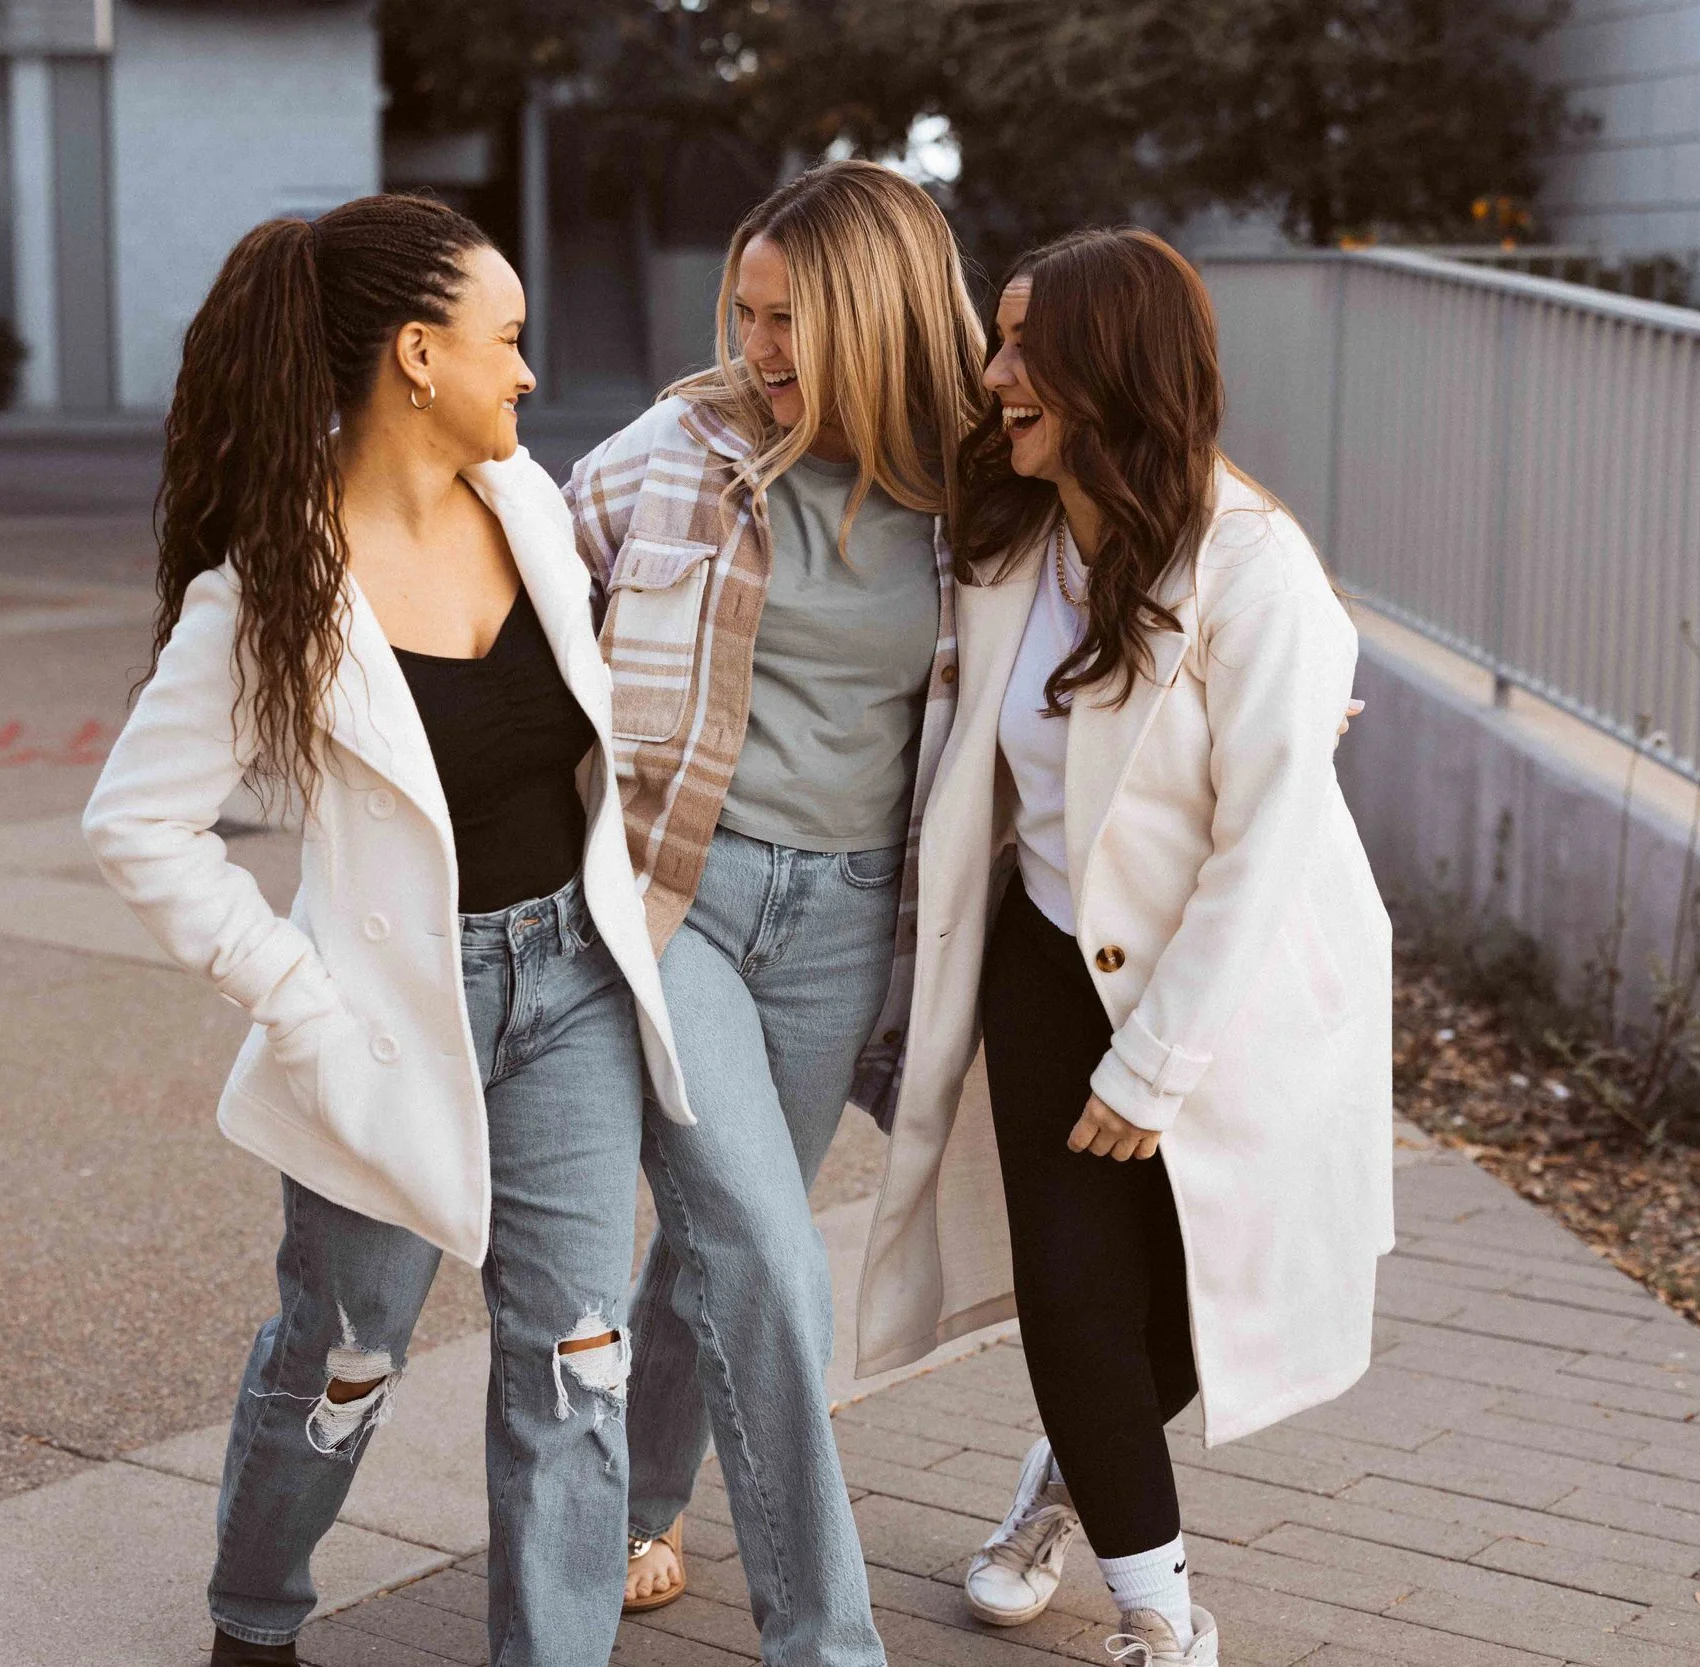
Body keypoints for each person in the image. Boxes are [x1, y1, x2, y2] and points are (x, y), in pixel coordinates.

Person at [82, 193, 694, 1667]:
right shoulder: (273, 582)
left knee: (578, 1364)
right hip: (384, 1021)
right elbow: (135, 822)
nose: (528, 370)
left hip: (568, 987)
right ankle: (255, 1618)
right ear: (419, 356)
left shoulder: (530, 508)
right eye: (507, 338)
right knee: (344, 1361)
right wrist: (299, 1004)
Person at [852, 228, 1394, 1667]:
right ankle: (1159, 1612)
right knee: (1075, 1294)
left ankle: (1069, 1477)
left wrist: (1154, 1065)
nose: (994, 374)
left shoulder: (1254, 572)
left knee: (1201, 1316)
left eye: (1025, 346)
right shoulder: (1007, 533)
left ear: (1115, 369)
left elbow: (1258, 853)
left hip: (1240, 990)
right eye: (996, 340)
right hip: (1047, 964)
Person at [564, 159, 987, 1665]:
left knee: (719, 1249)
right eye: (744, 312)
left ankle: (627, 1507)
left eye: (791, 318)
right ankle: (826, 1635)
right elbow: (521, 596)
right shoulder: (677, 449)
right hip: (681, 890)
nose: (758, 346)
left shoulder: (983, 483)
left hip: (850, 922)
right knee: (769, 1253)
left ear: (879, 316)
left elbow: (1153, 557)